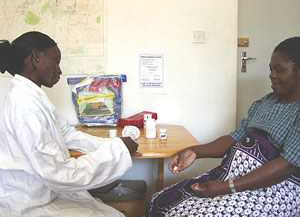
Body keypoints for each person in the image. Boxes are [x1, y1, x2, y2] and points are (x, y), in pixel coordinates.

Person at [145, 37, 300, 217]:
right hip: (233, 176)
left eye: (279, 70)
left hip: (276, 190)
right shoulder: (265, 103)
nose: (272, 75)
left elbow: (287, 165)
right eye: (271, 69)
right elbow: (235, 137)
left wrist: (228, 187)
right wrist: (195, 151)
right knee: (159, 200)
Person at [0, 31, 138, 217]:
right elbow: (56, 173)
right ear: (35, 58)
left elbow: (65, 133)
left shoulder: (32, 97)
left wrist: (113, 145)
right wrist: (116, 152)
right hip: (29, 203)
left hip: (43, 193)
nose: (60, 70)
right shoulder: (24, 105)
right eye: (56, 61)